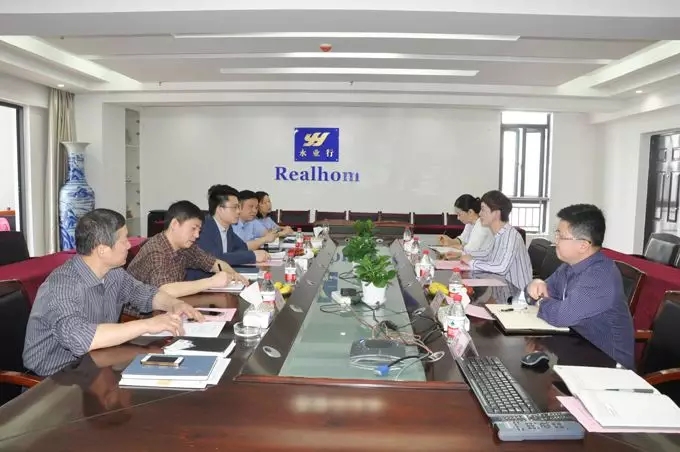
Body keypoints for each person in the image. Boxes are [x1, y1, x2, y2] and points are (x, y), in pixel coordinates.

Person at [23, 209, 203, 377]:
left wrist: (174, 304)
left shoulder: (113, 273)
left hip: (96, 365)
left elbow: (144, 293)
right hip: (53, 381)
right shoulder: (62, 285)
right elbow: (81, 338)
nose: (129, 245)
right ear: (102, 249)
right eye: (123, 240)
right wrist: (147, 325)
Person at [526, 204, 634, 369]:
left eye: (561, 236)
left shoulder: (600, 276)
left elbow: (561, 316)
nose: (555, 241)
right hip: (577, 350)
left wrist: (540, 300)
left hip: (608, 368)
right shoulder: (569, 266)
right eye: (557, 234)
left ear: (583, 245)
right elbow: (542, 292)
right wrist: (536, 283)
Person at [127, 200, 247, 298]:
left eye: (199, 230)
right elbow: (165, 290)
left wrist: (234, 275)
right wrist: (211, 282)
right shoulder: (156, 249)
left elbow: (213, 263)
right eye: (193, 228)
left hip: (168, 307)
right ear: (174, 224)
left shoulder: (185, 246)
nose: (197, 235)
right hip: (139, 315)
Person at [186, 185, 269, 280]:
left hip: (221, 280)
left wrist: (255, 253)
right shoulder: (204, 227)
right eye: (234, 207)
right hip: (200, 282)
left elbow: (242, 247)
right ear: (219, 209)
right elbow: (215, 259)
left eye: (239, 207)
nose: (238, 211)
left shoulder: (228, 228)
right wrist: (252, 256)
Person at [460, 190, 532, 290]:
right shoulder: (498, 234)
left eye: (483, 209)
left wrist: (472, 262)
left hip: (517, 293)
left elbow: (501, 268)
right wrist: (466, 256)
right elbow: (487, 254)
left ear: (496, 213)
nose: (480, 214)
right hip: (501, 288)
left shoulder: (511, 236)